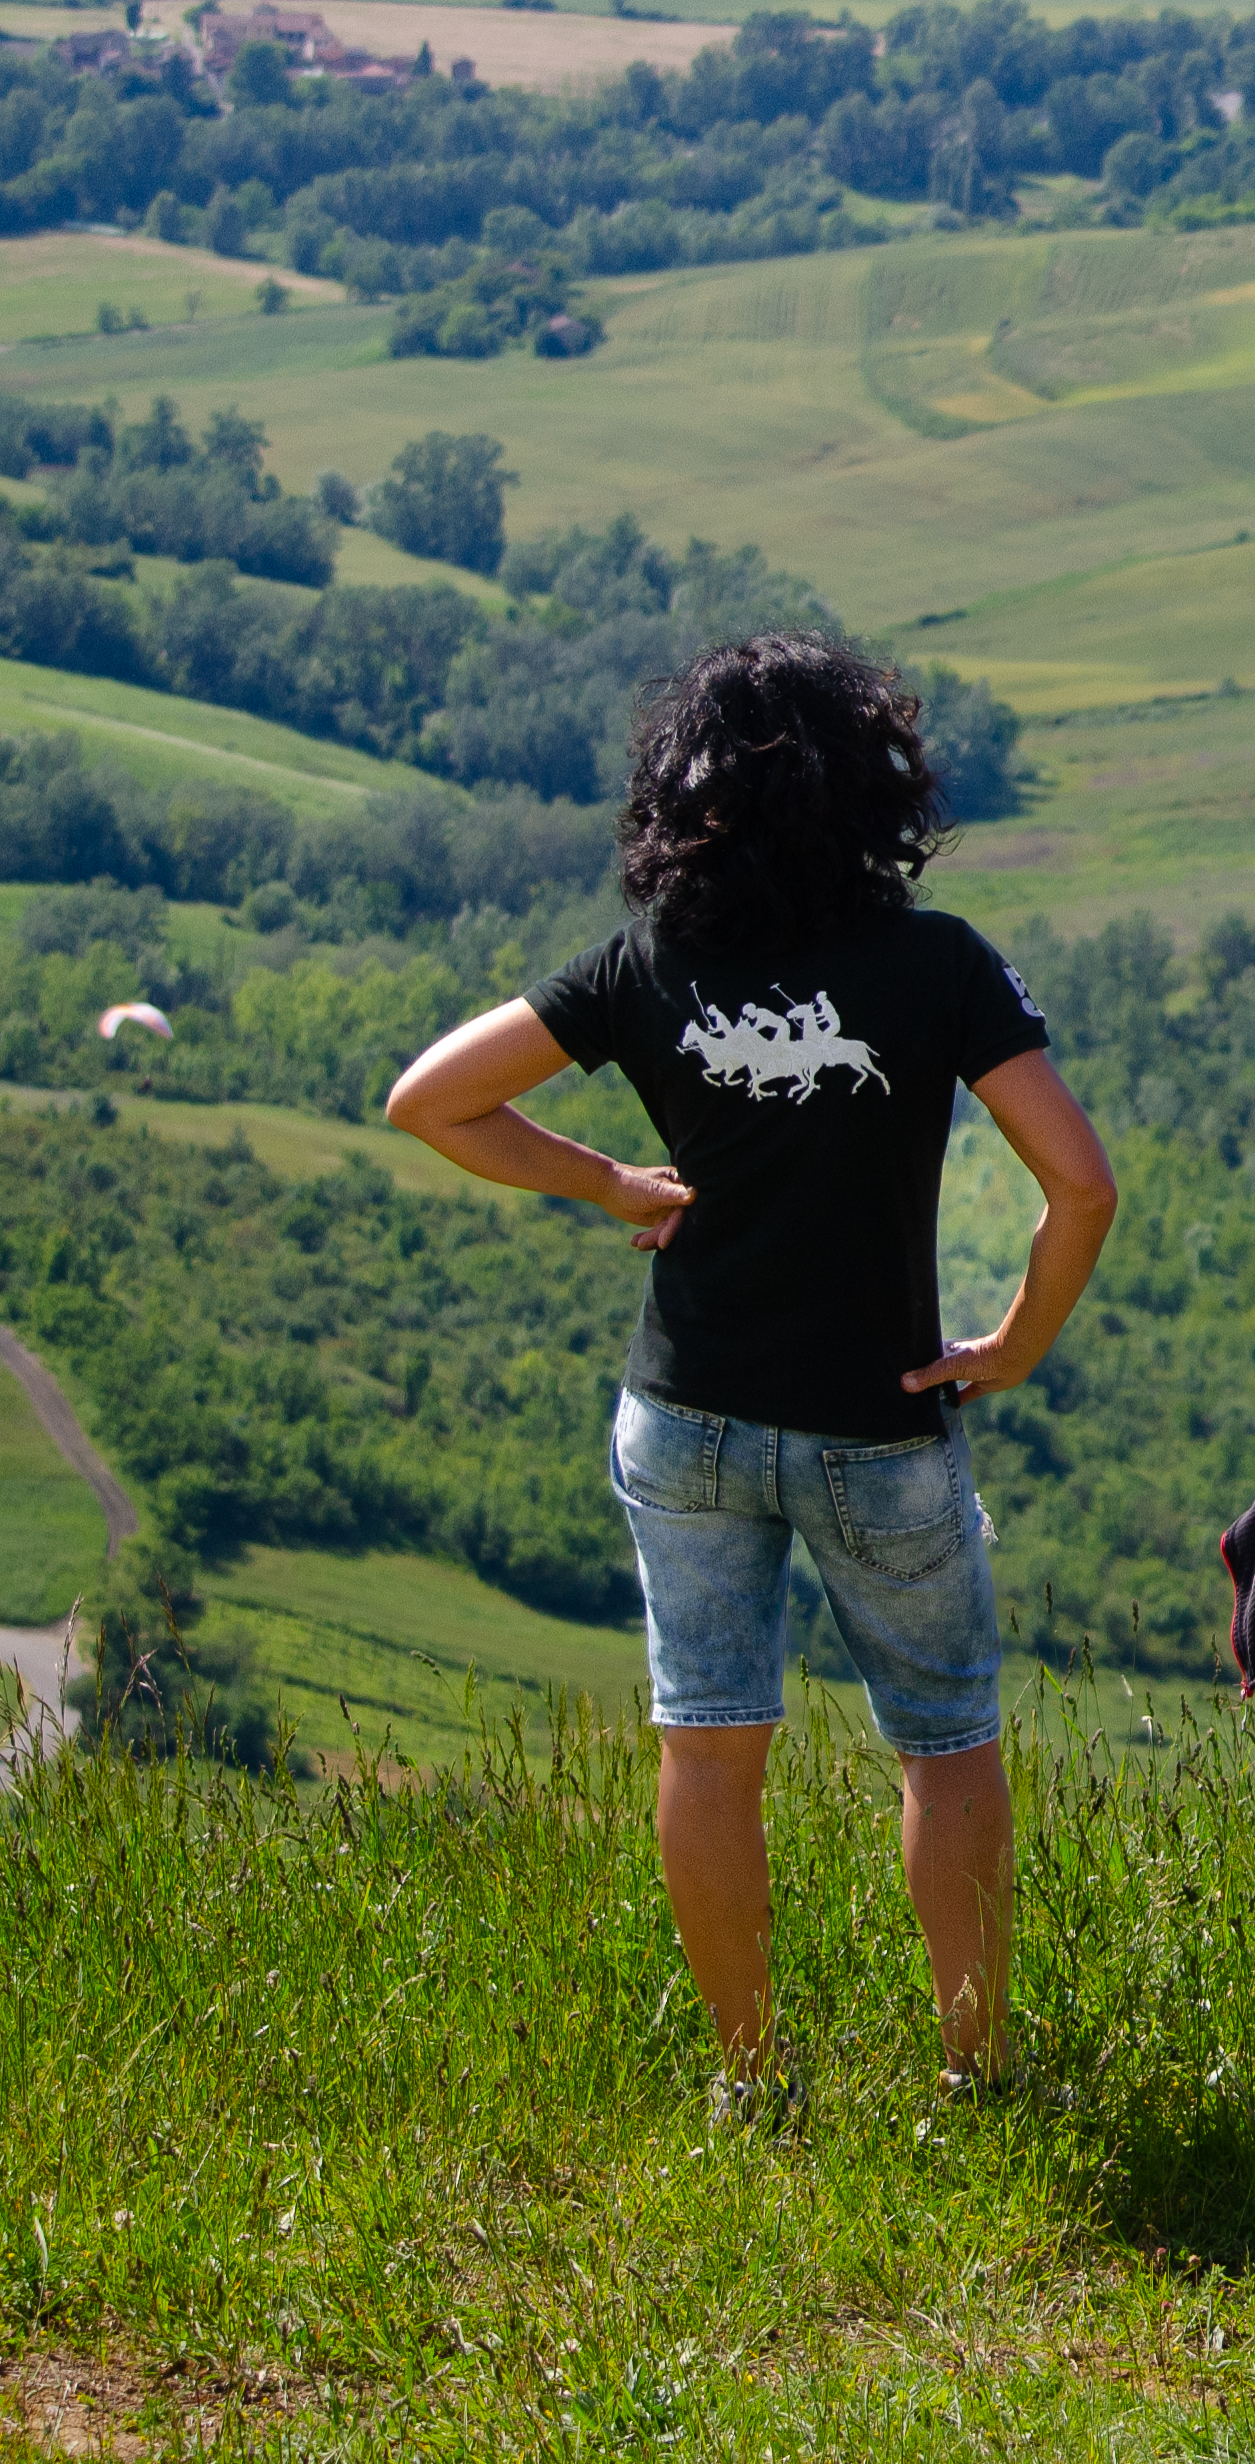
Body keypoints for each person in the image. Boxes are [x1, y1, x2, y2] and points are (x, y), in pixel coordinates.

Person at [388, 629, 1117, 2126]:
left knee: (708, 1748)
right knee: (946, 1744)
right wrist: (1013, 1347)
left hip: (688, 1415)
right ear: (877, 788)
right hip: (881, 1423)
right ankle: (973, 2077)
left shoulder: (653, 960)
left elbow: (431, 1101)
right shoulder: (938, 966)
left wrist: (606, 1184)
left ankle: (751, 2083)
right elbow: (1082, 1186)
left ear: (684, 793)